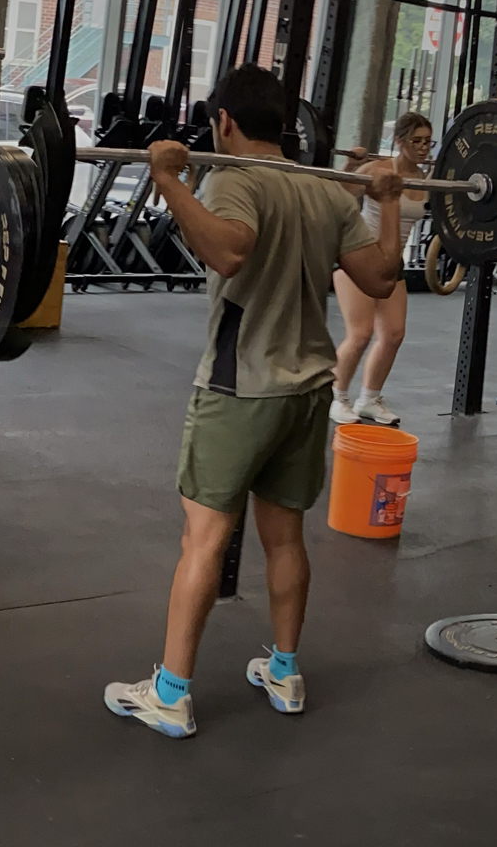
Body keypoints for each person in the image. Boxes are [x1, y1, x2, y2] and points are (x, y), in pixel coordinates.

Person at [103, 66, 403, 739]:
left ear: (226, 123)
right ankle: (284, 671)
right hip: (308, 392)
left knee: (202, 539)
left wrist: (168, 179)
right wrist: (387, 200)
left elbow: (228, 252)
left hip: (240, 389)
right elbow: (381, 278)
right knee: (285, 535)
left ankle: (171, 694)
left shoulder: (231, 178)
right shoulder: (322, 190)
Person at [328, 112, 433, 427]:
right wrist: (351, 165)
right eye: (416, 141)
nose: (424, 148)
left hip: (392, 262)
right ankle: (337, 397)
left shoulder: (428, 180)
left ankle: (369, 398)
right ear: (399, 142)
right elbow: (340, 197)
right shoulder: (377, 169)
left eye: (428, 141)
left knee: (393, 334)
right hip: (357, 256)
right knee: (360, 333)